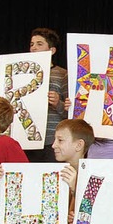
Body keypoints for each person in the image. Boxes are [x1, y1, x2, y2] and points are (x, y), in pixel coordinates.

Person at [27, 27, 68, 162]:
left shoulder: (62, 74)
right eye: (32, 44)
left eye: (39, 44)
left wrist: (58, 103)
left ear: (52, 50)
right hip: (26, 137)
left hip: (51, 141)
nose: (34, 48)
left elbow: (72, 112)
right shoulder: (23, 74)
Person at [51, 118, 95, 222]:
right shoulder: (54, 173)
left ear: (79, 145)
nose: (53, 145)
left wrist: (76, 188)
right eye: (55, 140)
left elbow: (98, 212)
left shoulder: (92, 177)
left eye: (60, 140)